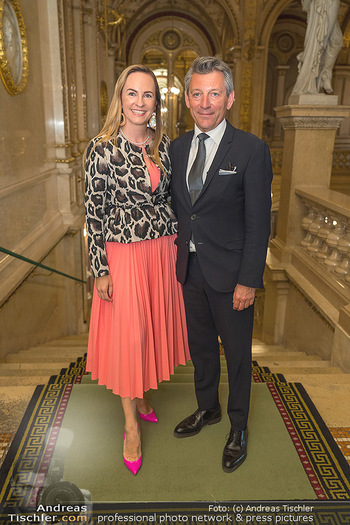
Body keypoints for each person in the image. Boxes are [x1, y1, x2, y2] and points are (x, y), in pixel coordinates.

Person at [84, 65, 189, 476]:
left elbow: (171, 202)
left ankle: (142, 395)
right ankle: (130, 426)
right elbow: (93, 214)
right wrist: (100, 270)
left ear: (156, 103)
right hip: (123, 255)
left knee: (148, 328)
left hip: (161, 252)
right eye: (133, 94)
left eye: (148, 95)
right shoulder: (102, 148)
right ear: (120, 99)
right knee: (129, 336)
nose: (140, 102)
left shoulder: (162, 146)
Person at [170, 56, 272, 473]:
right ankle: (207, 408)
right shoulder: (177, 148)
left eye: (214, 93)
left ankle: (238, 426)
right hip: (190, 270)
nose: (205, 102)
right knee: (200, 349)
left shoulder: (251, 150)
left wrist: (249, 280)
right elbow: (180, 211)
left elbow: (258, 223)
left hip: (232, 278)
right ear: (188, 100)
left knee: (237, 355)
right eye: (197, 93)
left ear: (229, 98)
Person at [291, 0, 343, 95]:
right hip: (325, 3)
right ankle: (318, 76)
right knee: (322, 40)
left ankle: (324, 74)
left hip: (328, 3)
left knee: (334, 40)